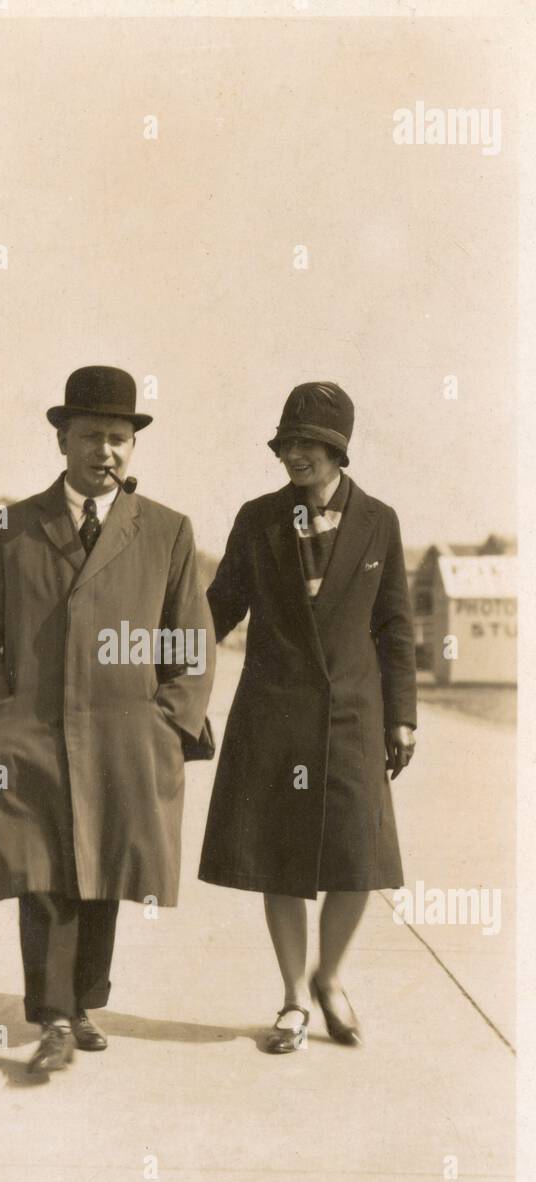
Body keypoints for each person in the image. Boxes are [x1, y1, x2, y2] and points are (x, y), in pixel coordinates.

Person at [0, 365, 214, 1076]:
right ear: (61, 440)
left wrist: (167, 721)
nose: (108, 451)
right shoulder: (12, 526)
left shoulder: (166, 530)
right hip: (31, 733)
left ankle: (84, 1002)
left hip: (123, 734)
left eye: (121, 438)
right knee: (42, 872)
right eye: (93, 435)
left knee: (105, 871)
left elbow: (190, 643)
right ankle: (54, 1016)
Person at [198, 382, 416, 1052]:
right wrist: (161, 663)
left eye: (310, 444)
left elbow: (396, 627)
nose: (296, 454)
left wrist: (401, 717)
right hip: (275, 713)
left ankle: (329, 978)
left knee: (359, 860)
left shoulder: (380, 522)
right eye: (288, 443)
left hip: (354, 714)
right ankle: (294, 998)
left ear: (338, 451)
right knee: (281, 860)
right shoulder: (259, 519)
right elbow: (218, 608)